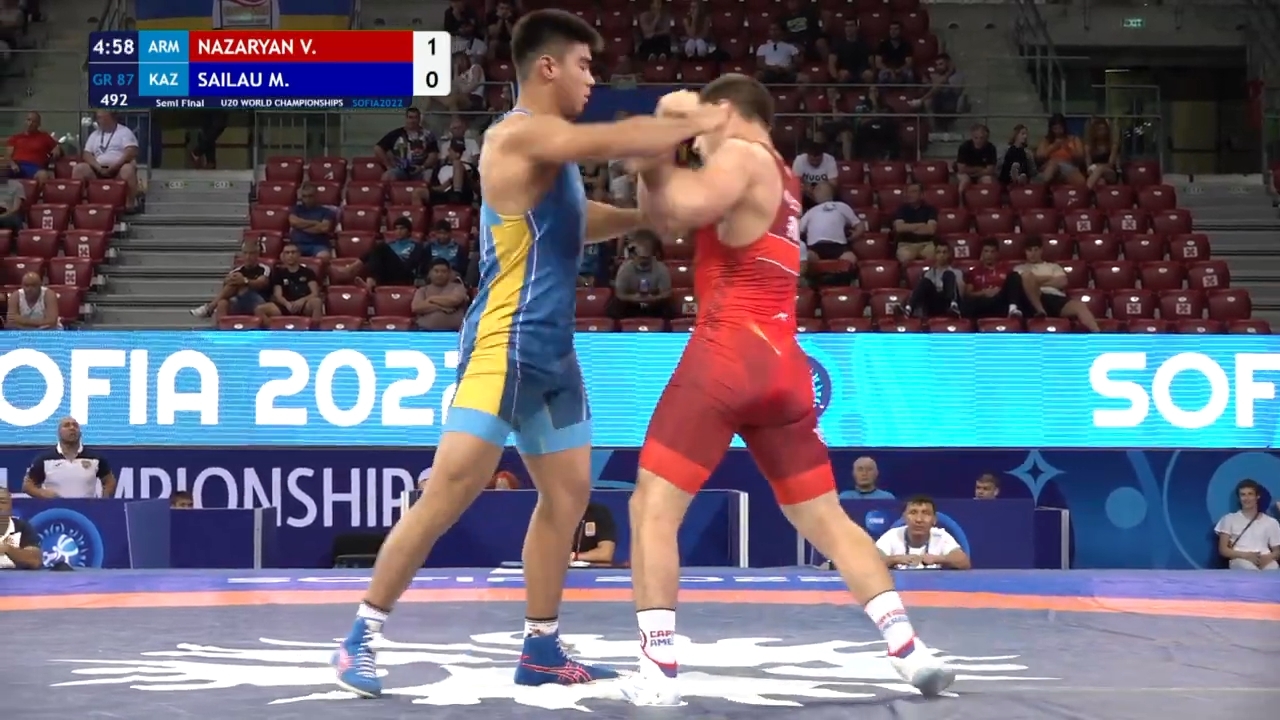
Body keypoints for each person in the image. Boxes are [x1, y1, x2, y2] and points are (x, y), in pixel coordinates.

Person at [331, 9, 730, 699]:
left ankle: (541, 647)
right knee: (447, 493)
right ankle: (358, 637)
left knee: (568, 497)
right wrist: (687, 121)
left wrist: (642, 216)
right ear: (548, 66)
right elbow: (611, 138)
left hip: (553, 357)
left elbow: (577, 220)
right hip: (503, 347)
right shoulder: (515, 136)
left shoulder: (556, 155)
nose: (592, 78)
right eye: (584, 65)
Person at [626, 76, 954, 707]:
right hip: (782, 367)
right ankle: (910, 650)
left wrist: (660, 139)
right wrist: (660, 151)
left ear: (725, 110)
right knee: (825, 518)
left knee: (652, 510)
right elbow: (665, 215)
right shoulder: (784, 176)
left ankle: (658, 670)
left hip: (725, 356)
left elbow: (679, 210)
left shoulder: (740, 154)